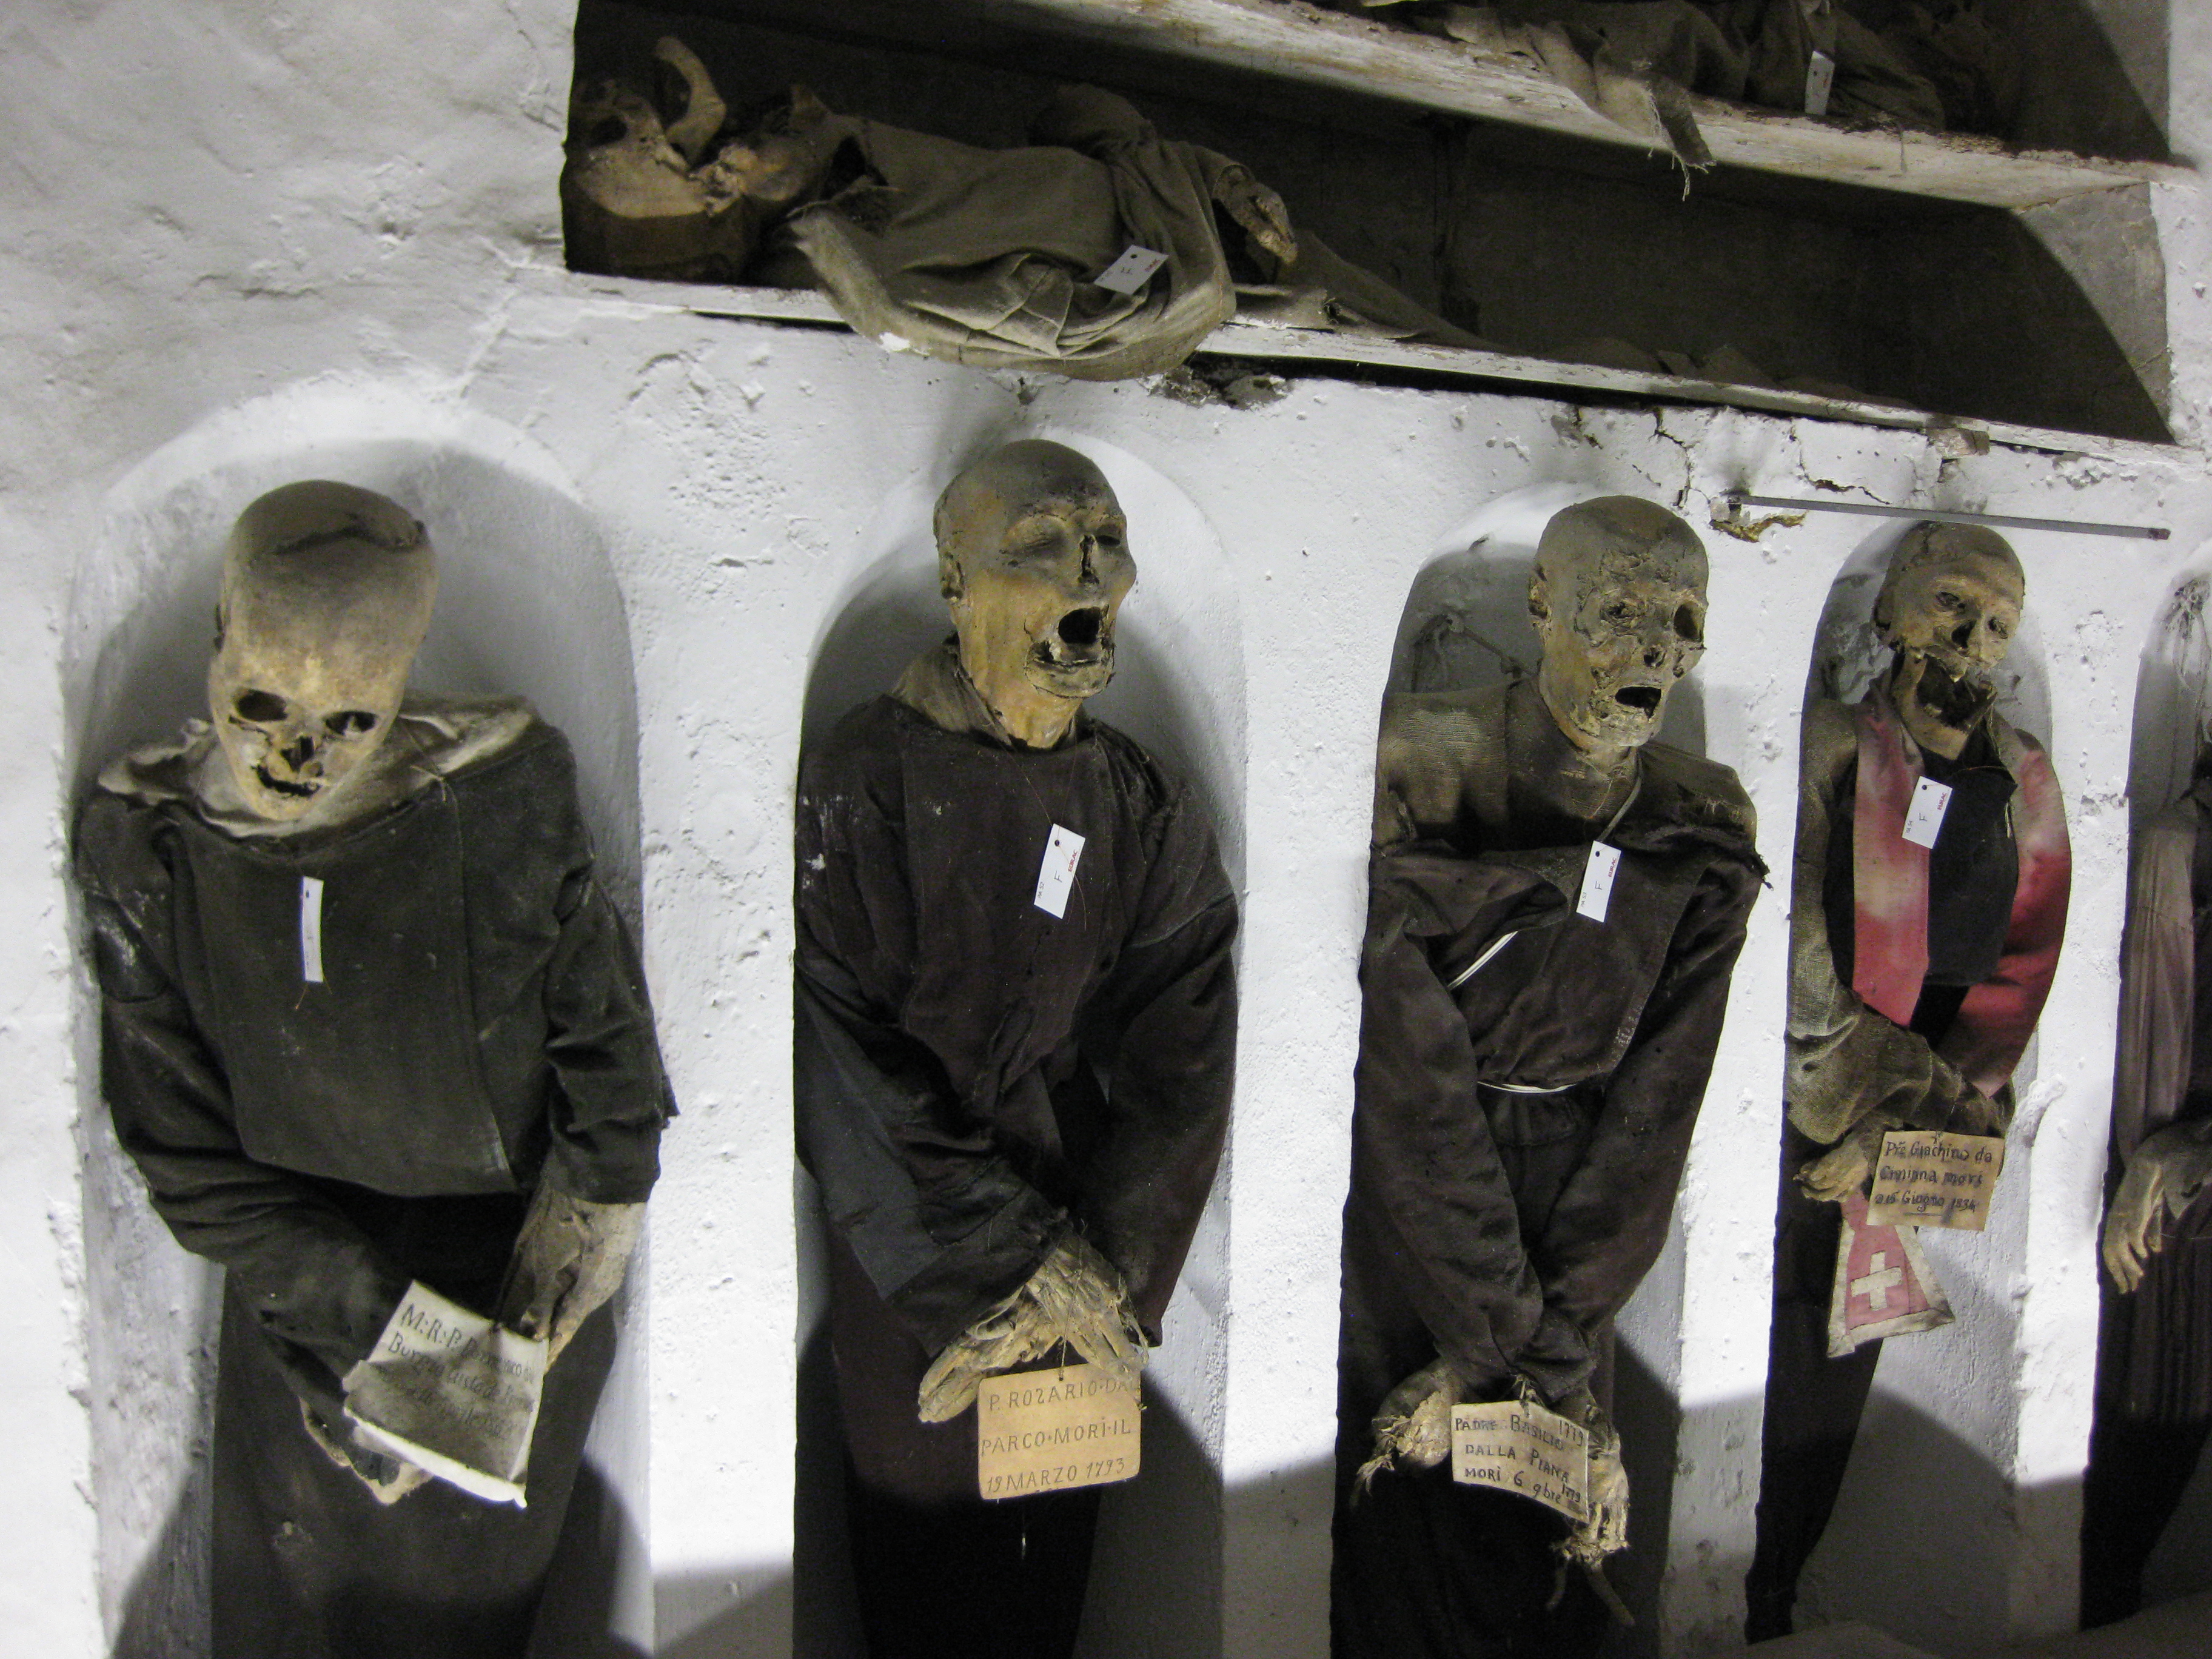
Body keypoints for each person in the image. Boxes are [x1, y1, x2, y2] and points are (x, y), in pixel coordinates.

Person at [75, 481, 674, 1657]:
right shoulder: (151, 850)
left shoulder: (502, 793)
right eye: (267, 699)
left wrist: (564, 1261)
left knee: (475, 1616)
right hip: (301, 1286)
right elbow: (177, 1145)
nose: (299, 752)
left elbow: (609, 1051)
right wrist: (363, 1334)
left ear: (399, 684)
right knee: (295, 1613)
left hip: (504, 1281)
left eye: (350, 717)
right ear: (220, 640)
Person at [794, 440, 1237, 1658]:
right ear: (958, 581)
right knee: (922, 1556)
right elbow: (835, 1055)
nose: (1089, 574)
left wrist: (1110, 1272)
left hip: (1084, 1237)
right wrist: (998, 1257)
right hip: (914, 1253)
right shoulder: (861, 778)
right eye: (1043, 545)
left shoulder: (1138, 804)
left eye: (1105, 543)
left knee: (1058, 1550)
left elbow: (1187, 1052)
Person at [1334, 496, 1762, 1658]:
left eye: (1681, 621)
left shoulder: (1701, 812)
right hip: (1426, 1195)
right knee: (1411, 1512)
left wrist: (1561, 1333)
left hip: (1584, 1225)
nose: (1653, 653)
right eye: (1618, 613)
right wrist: (1497, 1336)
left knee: (1543, 1522)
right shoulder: (1425, 756)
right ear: (1542, 607)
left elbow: (1664, 1094)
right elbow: (1407, 1057)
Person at [1746, 523, 2070, 1640]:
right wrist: (1850, 1104)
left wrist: (1930, 1119)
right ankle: (1745, 1592)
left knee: (1846, 1362)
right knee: (1775, 1357)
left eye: (1996, 623)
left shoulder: (2023, 779)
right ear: (1889, 614)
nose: (1972, 640)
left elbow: (2024, 966)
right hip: (1806, 1119)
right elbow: (1799, 949)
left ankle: (1783, 1595)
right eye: (1950, 607)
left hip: (1912, 1142)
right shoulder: (1837, 746)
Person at [2086, 743, 2212, 1625]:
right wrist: (2155, 1160)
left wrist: (2182, 1153)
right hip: (2171, 1211)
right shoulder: (2181, 845)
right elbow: (2154, 1029)